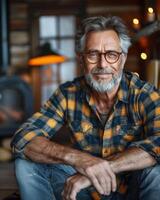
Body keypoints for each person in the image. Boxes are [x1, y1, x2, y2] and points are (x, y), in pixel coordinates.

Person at [11, 16, 160, 200]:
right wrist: (79, 160)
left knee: (156, 173)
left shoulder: (143, 94)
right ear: (82, 59)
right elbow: (23, 138)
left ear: (122, 58)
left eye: (111, 54)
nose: (102, 64)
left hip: (131, 191)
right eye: (93, 54)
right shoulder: (68, 94)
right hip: (81, 193)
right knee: (25, 165)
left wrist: (99, 169)